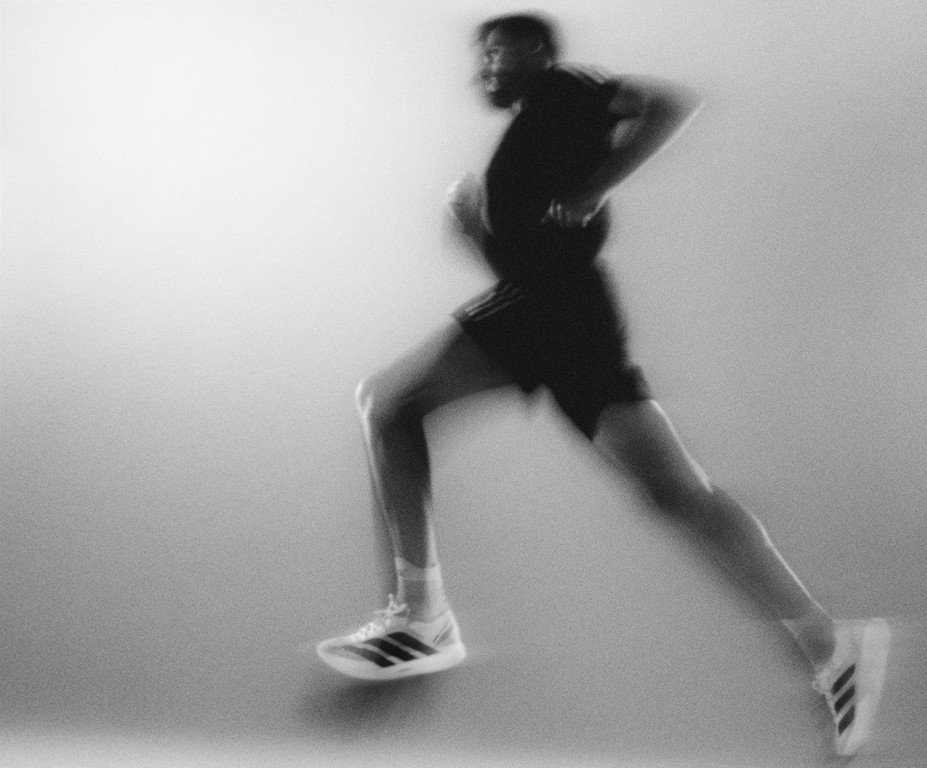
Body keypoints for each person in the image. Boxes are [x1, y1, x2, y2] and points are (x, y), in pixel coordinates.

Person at [317, 12, 890, 757]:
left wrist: (597, 187)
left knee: (390, 405)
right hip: (561, 314)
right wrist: (475, 229)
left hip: (554, 306)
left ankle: (421, 617)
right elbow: (522, 261)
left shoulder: (564, 91)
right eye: (479, 57)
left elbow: (669, 105)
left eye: (494, 52)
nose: (483, 67)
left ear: (535, 51)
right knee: (677, 495)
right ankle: (829, 644)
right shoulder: (533, 132)